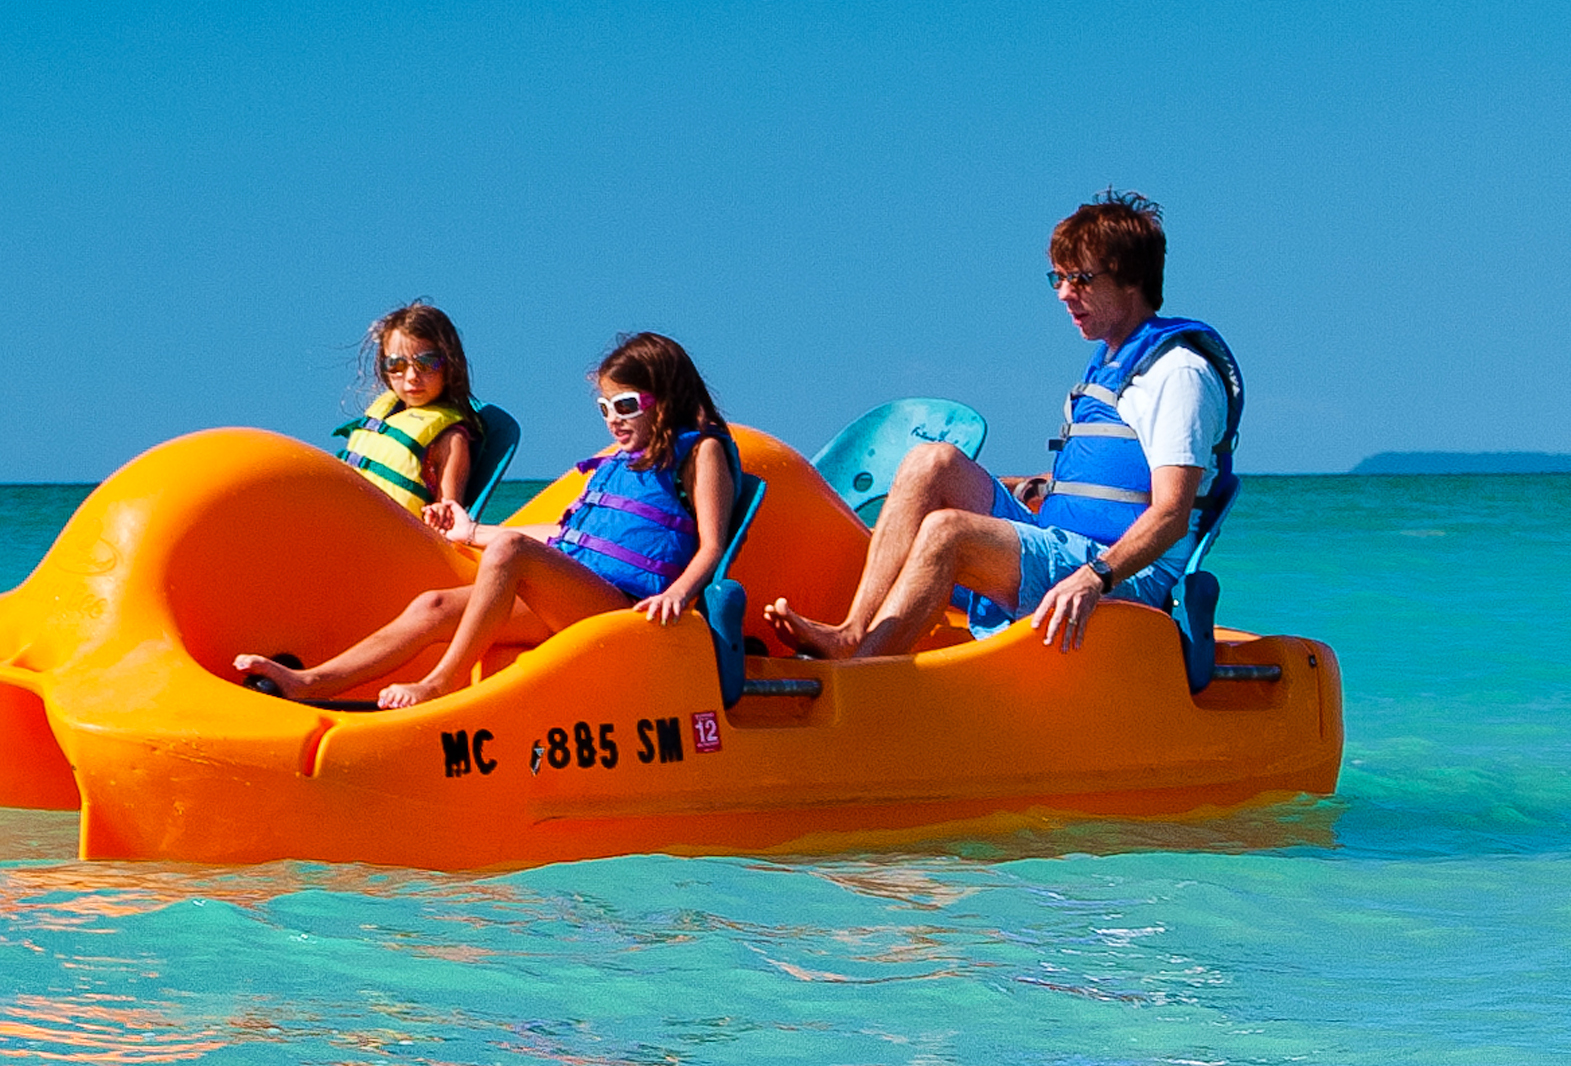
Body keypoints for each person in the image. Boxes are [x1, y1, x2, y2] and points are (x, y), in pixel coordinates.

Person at [763, 191, 1240, 662]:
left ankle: (863, 673)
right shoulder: (1113, 362)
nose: (1063, 293)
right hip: (1063, 544)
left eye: (1081, 279)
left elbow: (1171, 513)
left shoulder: (1178, 374)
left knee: (948, 532)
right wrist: (1033, 486)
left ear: (1131, 279)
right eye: (1058, 277)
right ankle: (853, 631)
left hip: (1127, 576)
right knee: (933, 461)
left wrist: (1095, 575)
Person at [234, 331, 741, 712]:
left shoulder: (702, 452)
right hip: (576, 595)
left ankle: (441, 682)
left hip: (627, 612)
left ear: (666, 399)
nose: (612, 418)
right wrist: (472, 533)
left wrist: (680, 593)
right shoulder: (615, 465)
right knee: (432, 605)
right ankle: (312, 683)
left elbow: (712, 546)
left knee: (511, 551)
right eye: (606, 407)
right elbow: (568, 539)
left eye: (626, 405)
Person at [335, 302, 490, 522]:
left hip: (393, 537)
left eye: (427, 363)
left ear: (450, 365)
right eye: (396, 365)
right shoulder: (386, 414)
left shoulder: (450, 440)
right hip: (348, 522)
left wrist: (440, 512)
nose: (412, 377)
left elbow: (449, 511)